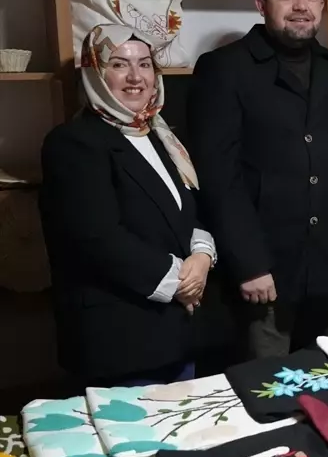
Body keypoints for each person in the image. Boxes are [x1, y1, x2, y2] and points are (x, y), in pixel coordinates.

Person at [188, 0, 328, 359]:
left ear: (322, 4)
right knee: (268, 386)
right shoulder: (224, 68)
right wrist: (248, 263)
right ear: (261, 4)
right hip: (266, 270)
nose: (301, 6)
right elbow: (218, 178)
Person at [40, 25, 215, 387]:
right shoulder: (74, 143)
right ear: (95, 72)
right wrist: (181, 283)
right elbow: (96, 238)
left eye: (145, 64)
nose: (136, 77)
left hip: (177, 330)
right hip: (119, 337)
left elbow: (189, 210)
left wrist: (202, 256)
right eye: (119, 64)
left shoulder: (160, 134)